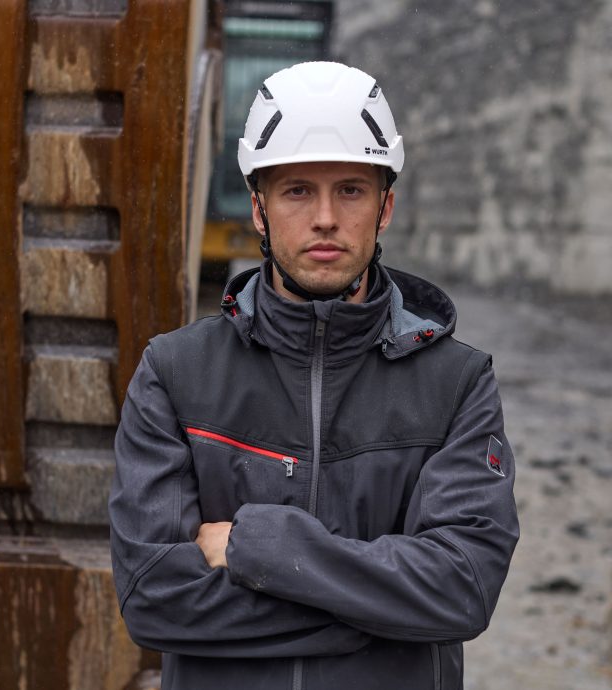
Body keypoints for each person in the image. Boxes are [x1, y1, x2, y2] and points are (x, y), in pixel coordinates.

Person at [109, 61, 519, 690]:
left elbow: (462, 588)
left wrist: (261, 547)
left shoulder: (456, 382)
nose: (325, 217)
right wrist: (380, 611)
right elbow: (152, 597)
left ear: (384, 207)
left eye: (351, 190)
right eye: (297, 190)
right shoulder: (175, 372)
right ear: (259, 209)